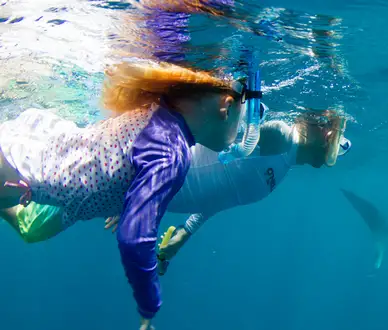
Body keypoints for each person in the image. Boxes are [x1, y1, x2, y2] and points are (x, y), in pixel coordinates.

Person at [0, 59, 257, 330]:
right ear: (226, 107)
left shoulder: (160, 113)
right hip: (16, 169)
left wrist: (123, 200)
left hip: (30, 149)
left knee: (34, 229)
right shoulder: (172, 152)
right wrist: (149, 305)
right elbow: (134, 239)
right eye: (248, 113)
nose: (246, 127)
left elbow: (115, 160)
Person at [103, 109, 352, 275]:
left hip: (147, 192)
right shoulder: (281, 137)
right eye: (330, 129)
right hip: (136, 175)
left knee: (69, 206)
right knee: (66, 196)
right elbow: (207, 135)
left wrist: (185, 233)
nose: (334, 140)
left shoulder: (284, 165)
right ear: (316, 126)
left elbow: (222, 192)